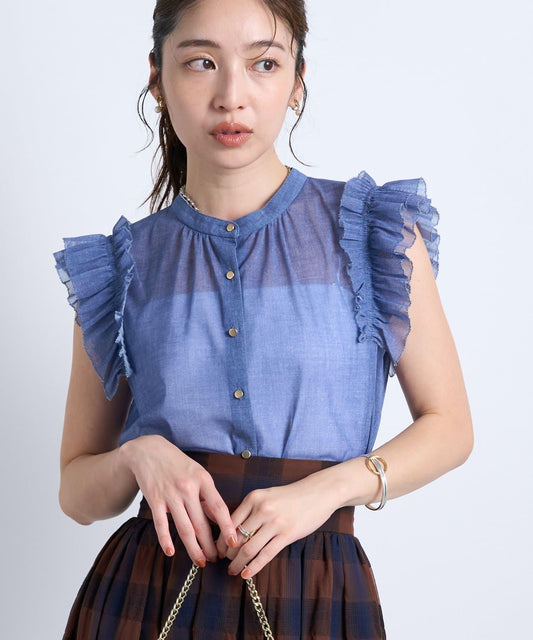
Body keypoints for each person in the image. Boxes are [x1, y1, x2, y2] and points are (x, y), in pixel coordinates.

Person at [52, 0, 474, 638]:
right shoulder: (122, 265)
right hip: (148, 594)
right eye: (200, 62)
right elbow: (77, 492)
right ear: (157, 79)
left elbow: (450, 428)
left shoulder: (373, 232)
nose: (232, 96)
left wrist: (325, 491)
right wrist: (136, 456)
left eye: (264, 64)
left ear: (297, 81)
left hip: (317, 592)